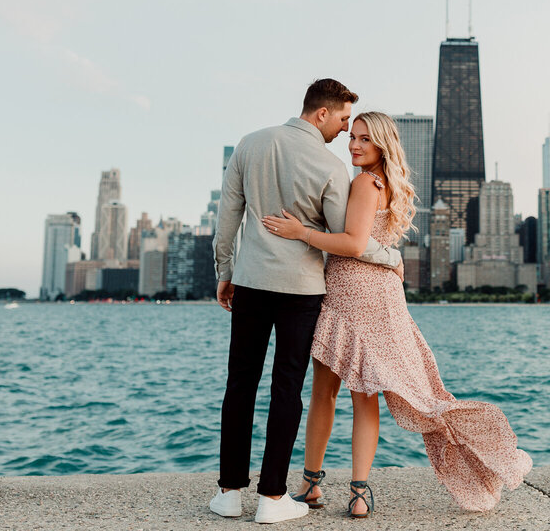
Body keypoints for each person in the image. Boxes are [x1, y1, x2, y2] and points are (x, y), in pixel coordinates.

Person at [263, 111, 532, 517]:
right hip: (382, 297)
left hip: (351, 292)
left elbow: (353, 244)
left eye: (364, 140)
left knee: (326, 394)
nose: (354, 145)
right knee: (364, 397)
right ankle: (356, 493)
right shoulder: (387, 184)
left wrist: (302, 233)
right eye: (352, 136)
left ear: (382, 146)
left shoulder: (364, 183)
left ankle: (312, 484)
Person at [209, 79, 403, 525]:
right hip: (302, 291)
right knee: (287, 389)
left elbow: (228, 216)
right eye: (341, 122)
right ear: (322, 114)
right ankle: (272, 498)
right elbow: (348, 241)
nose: (343, 132)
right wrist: (392, 257)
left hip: (251, 282)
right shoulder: (332, 167)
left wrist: (225, 271)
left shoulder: (249, 144)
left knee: (239, 384)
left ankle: (229, 493)